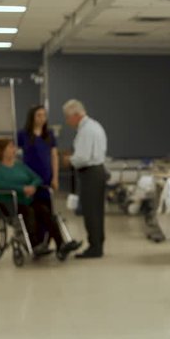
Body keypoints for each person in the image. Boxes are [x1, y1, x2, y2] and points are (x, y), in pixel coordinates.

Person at [0, 138, 81, 258]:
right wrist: (22, 189)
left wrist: (32, 186)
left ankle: (61, 244)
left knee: (44, 210)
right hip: (7, 203)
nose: (14, 149)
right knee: (28, 212)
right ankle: (34, 244)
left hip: (26, 200)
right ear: (1, 151)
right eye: (10, 147)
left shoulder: (19, 165)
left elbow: (36, 178)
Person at [63, 99, 107, 259]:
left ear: (75, 115)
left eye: (67, 118)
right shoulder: (95, 126)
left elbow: (82, 157)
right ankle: (98, 244)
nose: (67, 122)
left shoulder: (86, 130)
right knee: (97, 211)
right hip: (97, 171)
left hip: (91, 173)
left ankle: (94, 248)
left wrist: (69, 160)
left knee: (91, 212)